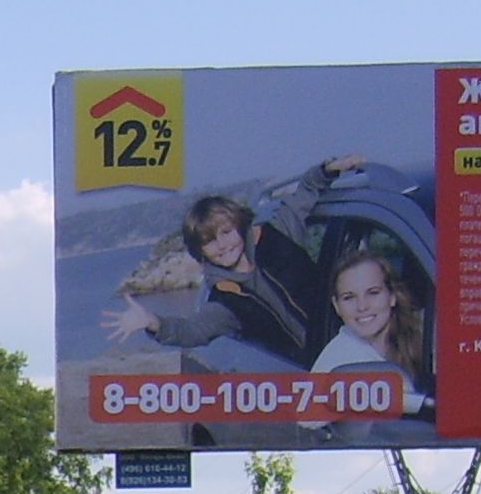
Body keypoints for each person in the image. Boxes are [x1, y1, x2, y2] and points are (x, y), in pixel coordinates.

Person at [102, 153, 364, 365]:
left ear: (239, 225)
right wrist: (153, 322)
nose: (222, 245)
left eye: (226, 232)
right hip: (313, 374)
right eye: (210, 241)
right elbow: (193, 330)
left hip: (361, 343)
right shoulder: (224, 301)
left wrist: (327, 170)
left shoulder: (279, 234)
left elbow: (305, 194)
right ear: (200, 251)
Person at [313, 243, 431, 402]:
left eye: (373, 293)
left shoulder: (423, 335)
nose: (362, 306)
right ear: (337, 306)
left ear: (392, 296)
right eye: (349, 297)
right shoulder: (337, 361)